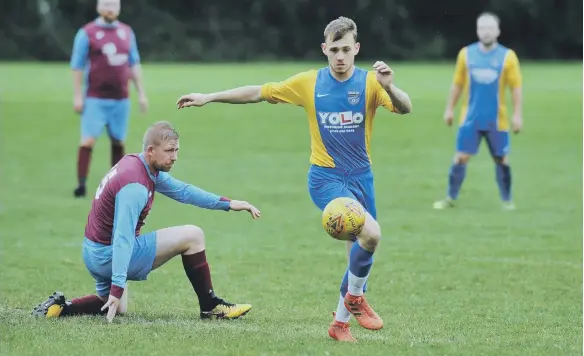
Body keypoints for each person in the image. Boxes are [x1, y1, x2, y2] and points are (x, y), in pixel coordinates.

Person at [176, 16, 412, 342]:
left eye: (346, 49)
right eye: (334, 49)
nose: (340, 56)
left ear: (356, 49)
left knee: (358, 249)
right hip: (326, 178)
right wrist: (209, 96)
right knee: (371, 235)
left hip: (362, 177)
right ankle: (355, 299)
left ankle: (340, 322)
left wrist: (390, 87)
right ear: (324, 49)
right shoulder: (309, 83)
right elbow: (257, 92)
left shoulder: (370, 83)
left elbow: (405, 108)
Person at [32, 121, 259, 322]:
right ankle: (211, 307)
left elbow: (183, 191)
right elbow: (122, 237)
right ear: (151, 151)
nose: (175, 157)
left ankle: (61, 309)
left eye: (177, 150)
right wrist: (118, 285)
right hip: (108, 254)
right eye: (169, 151)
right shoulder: (135, 187)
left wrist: (228, 203)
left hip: (93, 251)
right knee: (193, 235)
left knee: (116, 307)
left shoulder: (139, 164)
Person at [433, 12, 523, 210]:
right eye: (482, 28)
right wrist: (449, 109)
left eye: (490, 28)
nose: (486, 32)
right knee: (460, 157)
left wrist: (517, 115)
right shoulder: (466, 54)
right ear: (477, 30)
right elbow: (457, 84)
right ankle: (450, 198)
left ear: (498, 31)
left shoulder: (508, 57)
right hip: (470, 118)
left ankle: (507, 200)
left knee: (501, 159)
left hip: (497, 120)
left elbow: (516, 87)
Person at [71, 0, 149, 198]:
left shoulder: (127, 32)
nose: (110, 8)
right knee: (88, 141)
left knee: (118, 141)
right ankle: (81, 185)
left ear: (120, 7)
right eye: (106, 4)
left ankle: (115, 185)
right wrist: (78, 95)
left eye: (114, 4)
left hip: (121, 99)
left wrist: (141, 93)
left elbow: (134, 64)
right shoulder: (87, 33)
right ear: (98, 7)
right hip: (95, 98)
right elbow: (77, 66)